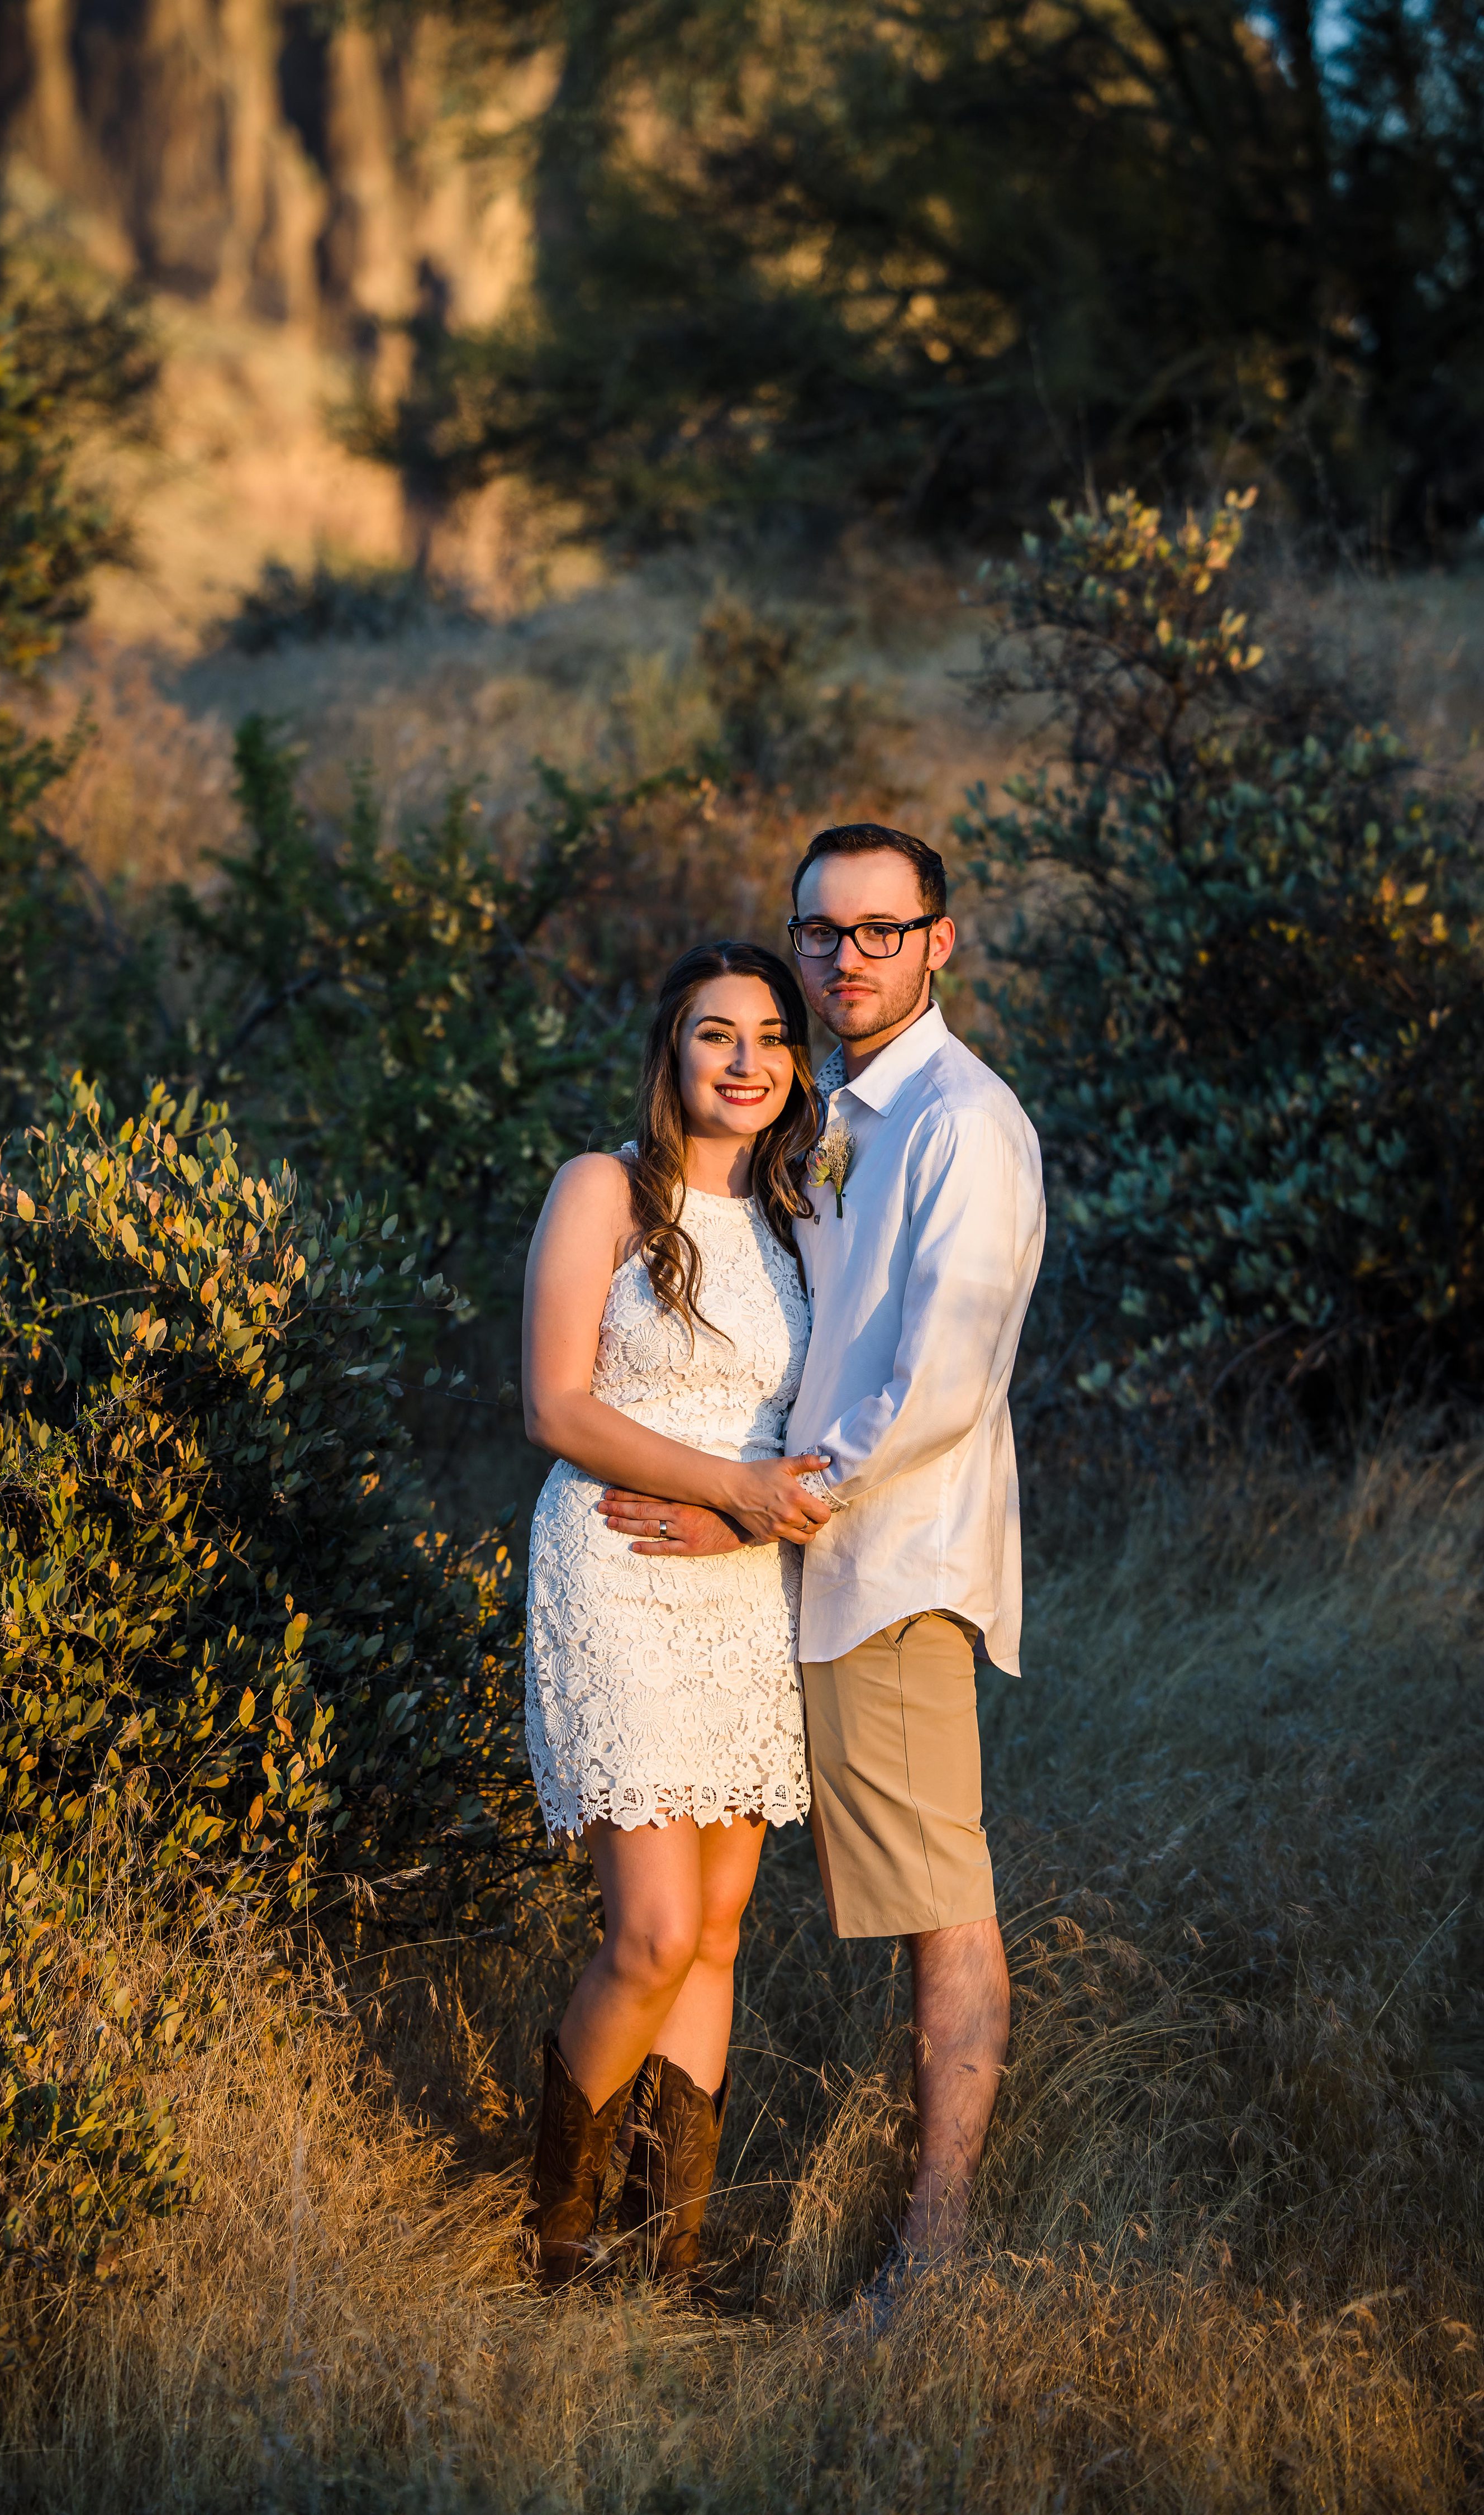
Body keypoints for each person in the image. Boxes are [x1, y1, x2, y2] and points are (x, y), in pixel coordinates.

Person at [600, 824, 1045, 2295]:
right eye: (819, 932)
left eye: (877, 929)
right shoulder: (844, 1108)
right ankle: (650, 2246)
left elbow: (939, 1378)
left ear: (941, 939)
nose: (844, 957)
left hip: (887, 1563)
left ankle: (932, 2262)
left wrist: (764, 1504)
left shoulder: (962, 1122)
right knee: (714, 1921)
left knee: (939, 1903)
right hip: (804, 1566)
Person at [518, 938, 831, 2290]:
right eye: (717, 1034)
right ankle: (558, 2244)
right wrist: (732, 1491)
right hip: (620, 1564)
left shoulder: (804, 1219)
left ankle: (668, 2256)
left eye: (771, 1036)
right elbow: (558, 1407)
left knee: (715, 1932)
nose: (747, 1061)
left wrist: (754, 1516)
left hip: (749, 1584)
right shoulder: (604, 1188)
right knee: (647, 1931)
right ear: (672, 1053)